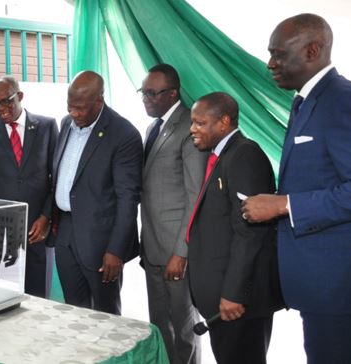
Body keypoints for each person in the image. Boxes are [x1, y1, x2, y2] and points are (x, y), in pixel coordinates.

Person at [242, 13, 351, 363]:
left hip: (339, 285)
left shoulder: (343, 101)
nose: (270, 64)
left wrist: (284, 205)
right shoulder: (306, 101)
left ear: (312, 50)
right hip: (317, 281)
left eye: (278, 54)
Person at [187, 92, 283, 364]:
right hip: (222, 299)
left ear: (224, 122)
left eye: (199, 123)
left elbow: (249, 233)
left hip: (238, 303)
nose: (192, 129)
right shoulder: (222, 155)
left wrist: (233, 293)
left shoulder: (244, 155)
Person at [52, 70, 142, 315]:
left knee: (106, 315)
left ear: (99, 102)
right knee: (74, 310)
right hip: (66, 233)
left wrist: (116, 250)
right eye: (70, 107)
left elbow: (128, 199)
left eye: (80, 108)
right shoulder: (66, 123)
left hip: (101, 241)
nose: (74, 113)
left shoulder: (124, 134)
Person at [139, 64, 205, 364]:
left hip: (176, 250)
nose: (146, 98)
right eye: (144, 92)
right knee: (159, 325)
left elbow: (194, 196)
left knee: (184, 327)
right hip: (153, 246)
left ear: (173, 93)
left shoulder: (190, 126)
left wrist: (182, 252)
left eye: (153, 93)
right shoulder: (153, 127)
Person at [0, 76, 58, 298]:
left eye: (6, 101)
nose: (1, 108)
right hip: (0, 232)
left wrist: (46, 217)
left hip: (37, 229)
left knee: (38, 297)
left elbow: (56, 178)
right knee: (3, 296)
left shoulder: (47, 126)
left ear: (20, 96)